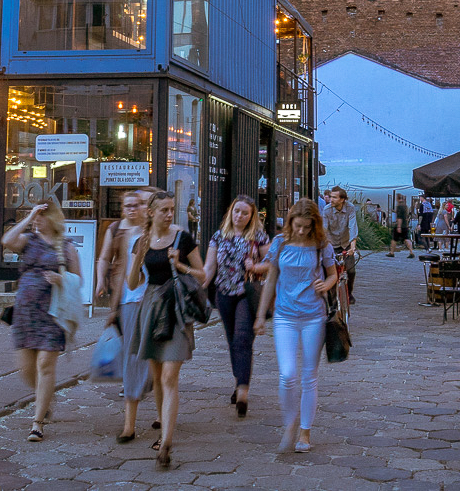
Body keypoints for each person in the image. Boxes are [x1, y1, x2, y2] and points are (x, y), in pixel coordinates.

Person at [126, 191, 205, 468]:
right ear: (151, 213)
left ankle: (167, 443)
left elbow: (203, 274)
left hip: (176, 309)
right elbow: (133, 283)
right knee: (157, 375)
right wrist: (139, 255)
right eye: (164, 210)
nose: (170, 214)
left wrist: (180, 264)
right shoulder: (142, 241)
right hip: (151, 306)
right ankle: (163, 432)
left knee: (170, 375)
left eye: (172, 209)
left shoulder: (182, 238)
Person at [255, 199, 338, 454]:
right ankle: (289, 422)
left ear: (314, 224)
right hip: (285, 316)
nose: (302, 231)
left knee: (309, 376)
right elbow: (270, 280)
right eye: (298, 225)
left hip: (313, 315)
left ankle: (305, 430)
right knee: (287, 374)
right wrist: (260, 315)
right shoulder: (280, 243)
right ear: (290, 222)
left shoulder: (321, 244)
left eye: (307, 226)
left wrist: (327, 284)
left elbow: (333, 273)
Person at [3, 202, 80, 442]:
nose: (38, 220)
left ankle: (37, 423)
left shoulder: (67, 248)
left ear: (53, 219)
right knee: (26, 368)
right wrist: (29, 216)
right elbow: (7, 241)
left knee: (45, 365)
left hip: (53, 314)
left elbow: (80, 281)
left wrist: (62, 279)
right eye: (36, 216)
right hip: (26, 313)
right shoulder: (28, 240)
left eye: (42, 216)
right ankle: (44, 397)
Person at [97, 188, 161, 444]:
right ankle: (129, 425)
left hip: (157, 304)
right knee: (133, 361)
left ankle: (162, 416)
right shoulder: (121, 233)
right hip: (130, 302)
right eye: (132, 204)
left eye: (142, 204)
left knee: (158, 366)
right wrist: (106, 289)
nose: (136, 209)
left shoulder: (167, 234)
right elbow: (120, 270)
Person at [204, 195, 270, 418]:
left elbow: (270, 264)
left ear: (252, 216)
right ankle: (238, 381)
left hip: (247, 292)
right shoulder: (218, 236)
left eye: (245, 213)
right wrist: (198, 286)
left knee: (242, 338)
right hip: (223, 293)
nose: (240, 216)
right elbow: (209, 267)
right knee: (233, 340)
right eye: (237, 211)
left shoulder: (258, 236)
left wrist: (256, 266)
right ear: (230, 212)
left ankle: (243, 391)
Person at [320, 186, 360, 302]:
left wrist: (352, 247)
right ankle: (330, 298)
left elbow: (352, 226)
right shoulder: (327, 210)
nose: (331, 199)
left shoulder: (350, 208)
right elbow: (324, 230)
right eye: (331, 197)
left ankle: (349, 293)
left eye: (334, 197)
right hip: (331, 244)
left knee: (351, 270)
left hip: (345, 243)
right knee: (329, 271)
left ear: (342, 199)